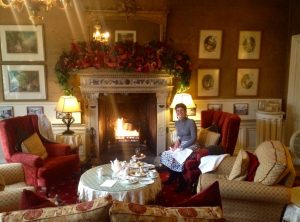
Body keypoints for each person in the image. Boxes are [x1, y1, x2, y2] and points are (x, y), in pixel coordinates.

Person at [160, 103, 197, 192]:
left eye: (181, 110)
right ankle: (172, 176)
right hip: (181, 145)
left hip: (191, 145)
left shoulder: (191, 122)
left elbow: (194, 138)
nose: (179, 112)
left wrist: (181, 147)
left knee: (178, 156)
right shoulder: (177, 123)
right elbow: (180, 136)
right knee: (166, 154)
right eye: (177, 111)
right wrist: (177, 142)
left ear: (185, 111)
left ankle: (182, 182)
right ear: (176, 112)